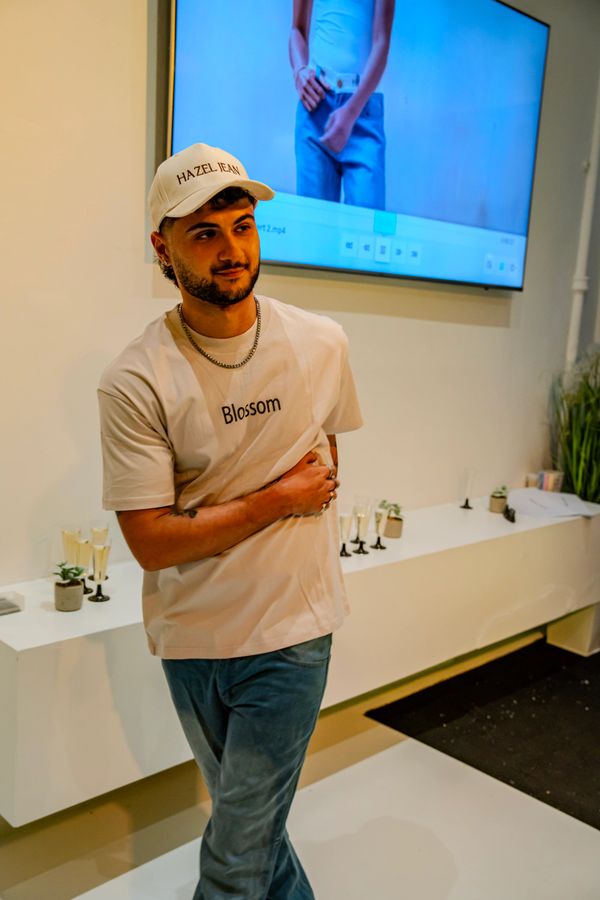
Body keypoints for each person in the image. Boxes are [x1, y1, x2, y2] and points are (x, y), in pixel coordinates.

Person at [97, 142, 362, 899]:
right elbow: (150, 542)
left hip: (292, 633)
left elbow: (328, 469)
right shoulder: (136, 378)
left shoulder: (322, 343)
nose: (232, 250)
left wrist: (249, 510)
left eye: (242, 227)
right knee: (255, 829)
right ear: (163, 249)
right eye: (204, 234)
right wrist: (276, 500)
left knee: (236, 855)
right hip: (194, 640)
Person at [289, 0, 395, 209]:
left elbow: (381, 42)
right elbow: (297, 29)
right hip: (315, 104)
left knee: (366, 226)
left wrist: (351, 111)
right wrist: (299, 70)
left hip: (362, 109)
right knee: (314, 223)